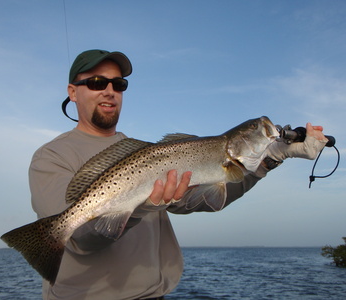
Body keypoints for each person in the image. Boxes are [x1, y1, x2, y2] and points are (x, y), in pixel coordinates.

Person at [29, 49, 328, 300]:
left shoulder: (142, 152)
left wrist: (272, 157)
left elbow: (207, 199)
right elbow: (81, 239)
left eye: (119, 84)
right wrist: (138, 206)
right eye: (96, 82)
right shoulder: (51, 156)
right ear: (72, 92)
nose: (109, 91)